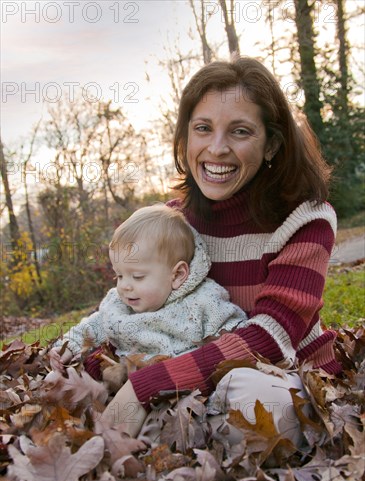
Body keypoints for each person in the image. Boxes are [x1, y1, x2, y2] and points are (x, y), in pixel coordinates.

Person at [101, 56, 342, 443]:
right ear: (186, 137)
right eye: (203, 128)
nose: (216, 148)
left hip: (288, 379)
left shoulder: (306, 220)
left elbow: (271, 339)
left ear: (271, 144)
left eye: (240, 132)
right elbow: (130, 306)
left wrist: (144, 386)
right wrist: (107, 362)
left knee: (253, 397)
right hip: (194, 377)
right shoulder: (174, 223)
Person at [50, 204, 248, 390]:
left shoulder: (204, 301)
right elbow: (91, 327)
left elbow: (236, 335)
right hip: (124, 384)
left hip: (185, 386)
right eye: (119, 275)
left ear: (177, 275)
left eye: (137, 276)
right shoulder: (119, 304)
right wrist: (66, 348)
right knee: (59, 383)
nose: (125, 286)